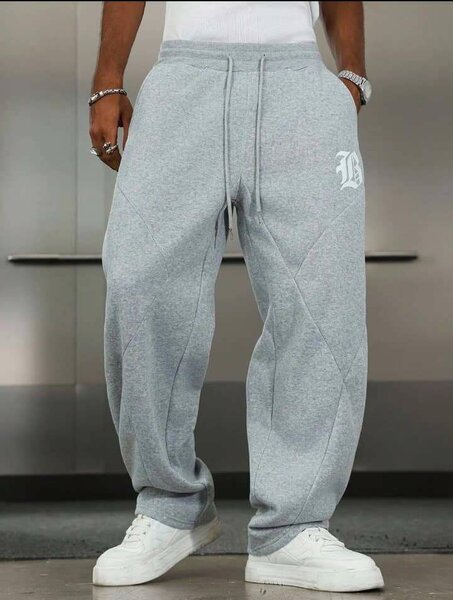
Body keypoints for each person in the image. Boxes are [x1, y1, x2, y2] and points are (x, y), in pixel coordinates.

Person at [89, 1, 382, 592]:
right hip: (182, 79)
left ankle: (292, 527)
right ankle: (168, 505)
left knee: (322, 301)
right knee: (137, 281)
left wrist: (351, 77)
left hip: (300, 85)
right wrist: (107, 80)